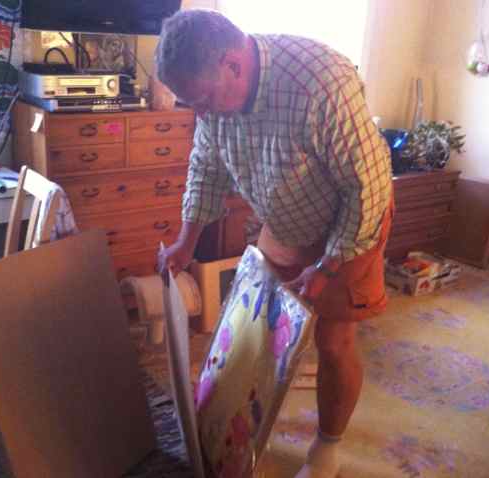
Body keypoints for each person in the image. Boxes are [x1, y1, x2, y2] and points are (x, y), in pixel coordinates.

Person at [155, 9, 393, 478]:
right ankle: (240, 428)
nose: (200, 112)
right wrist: (185, 243)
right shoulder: (212, 100)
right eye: (190, 103)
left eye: (203, 100)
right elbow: (206, 167)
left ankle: (326, 449)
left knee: (333, 339)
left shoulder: (321, 82)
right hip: (286, 216)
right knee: (258, 325)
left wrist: (327, 267)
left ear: (233, 65)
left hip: (349, 222)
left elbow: (368, 189)